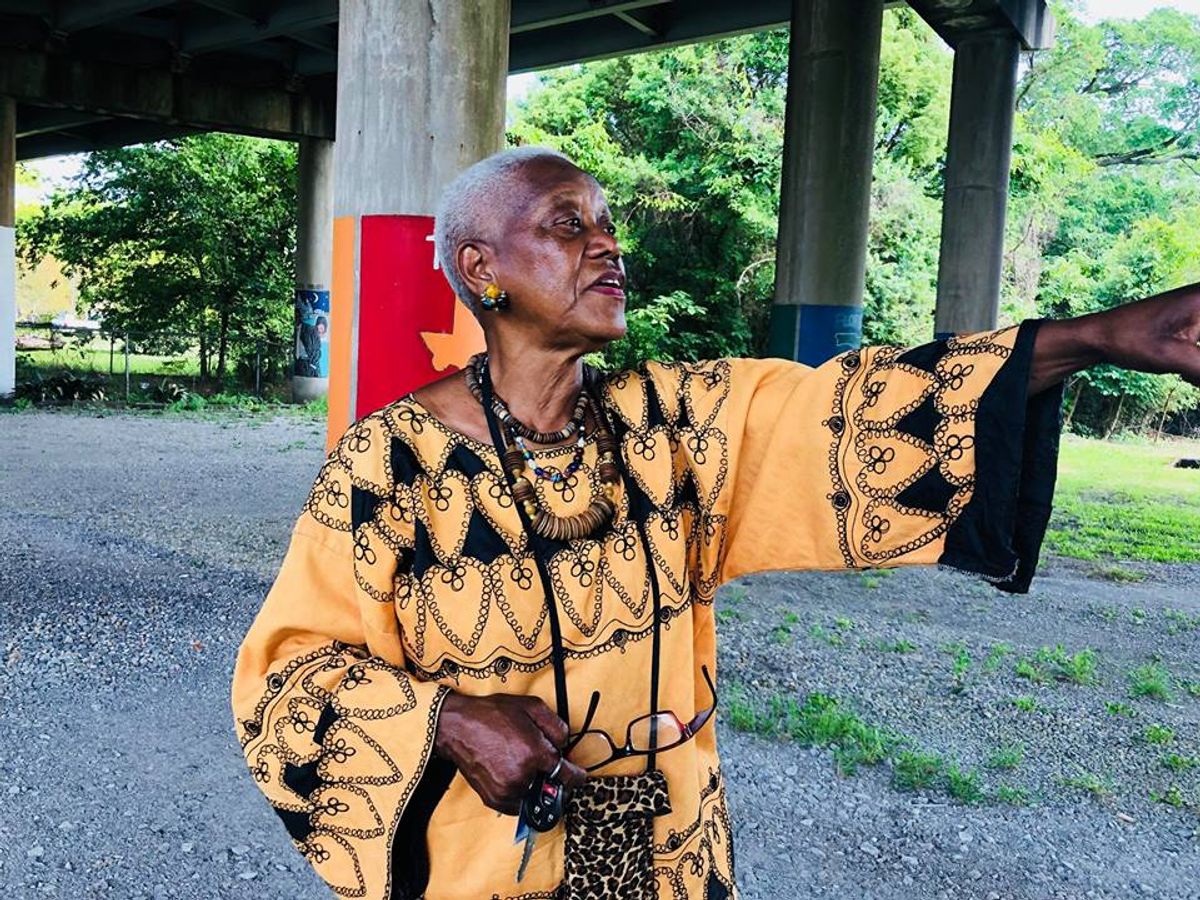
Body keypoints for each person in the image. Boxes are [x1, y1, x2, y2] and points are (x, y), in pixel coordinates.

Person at [231, 147, 1200, 900]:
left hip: (666, 851)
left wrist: (1102, 339)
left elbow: (853, 409)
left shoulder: (678, 424)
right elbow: (286, 675)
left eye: (609, 224)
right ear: (480, 267)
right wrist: (446, 720)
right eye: (568, 225)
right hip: (488, 863)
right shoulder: (388, 466)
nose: (608, 245)